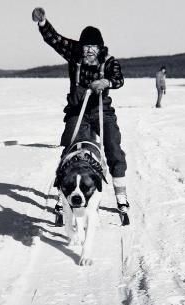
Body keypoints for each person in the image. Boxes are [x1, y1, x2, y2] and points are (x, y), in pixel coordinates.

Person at [32, 8, 129, 215]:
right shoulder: (74, 52)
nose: (89, 51)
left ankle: (121, 195)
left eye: (93, 47)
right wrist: (42, 23)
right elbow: (55, 39)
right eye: (86, 46)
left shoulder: (109, 61)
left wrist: (106, 81)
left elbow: (119, 79)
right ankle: (63, 193)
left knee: (112, 148)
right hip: (78, 110)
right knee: (71, 148)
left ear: (100, 47)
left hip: (102, 110)